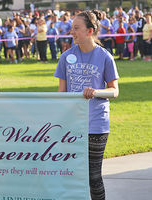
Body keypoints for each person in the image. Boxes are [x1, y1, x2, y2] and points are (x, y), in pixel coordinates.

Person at [54, 10, 119, 200]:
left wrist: (95, 92)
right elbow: (62, 93)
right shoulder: (66, 57)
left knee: (93, 176)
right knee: (72, 175)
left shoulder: (105, 56)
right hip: (72, 125)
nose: (72, 32)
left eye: (76, 28)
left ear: (90, 31)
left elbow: (115, 90)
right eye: (71, 28)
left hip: (96, 124)